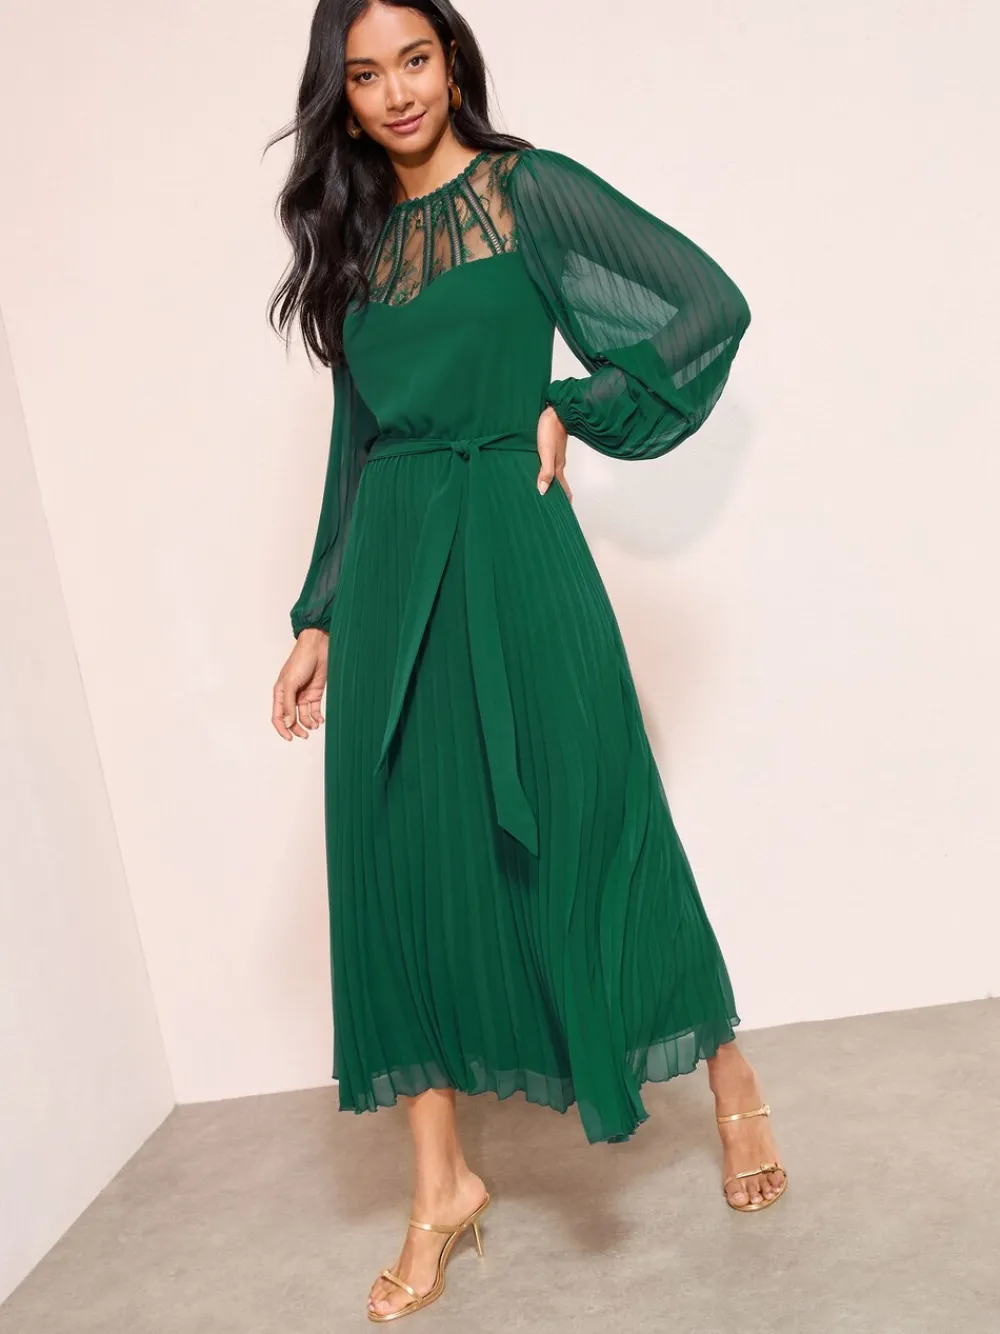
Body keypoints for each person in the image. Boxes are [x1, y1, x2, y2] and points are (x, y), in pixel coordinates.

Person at [268, 0, 787, 1321]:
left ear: (453, 61)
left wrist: (571, 402)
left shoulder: (527, 193)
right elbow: (356, 446)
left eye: (415, 60)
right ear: (342, 96)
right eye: (366, 74)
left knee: (595, 819)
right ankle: (440, 1180)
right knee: (396, 860)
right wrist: (320, 613)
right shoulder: (356, 245)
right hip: (395, 563)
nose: (396, 92)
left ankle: (728, 1072)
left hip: (511, 537)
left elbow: (704, 305)